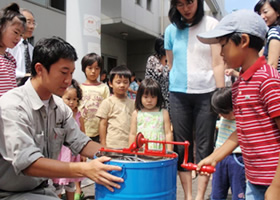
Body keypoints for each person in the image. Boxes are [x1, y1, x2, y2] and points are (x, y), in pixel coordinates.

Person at [0, 36, 123, 200]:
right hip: (11, 194)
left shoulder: (60, 107)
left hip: (45, 189)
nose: (68, 80)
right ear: (40, 69)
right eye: (63, 72)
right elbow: (28, 163)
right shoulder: (12, 106)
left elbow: (81, 142)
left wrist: (121, 156)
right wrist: (84, 169)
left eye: (71, 73)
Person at [196, 10, 280, 200]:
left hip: (274, 181)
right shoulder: (239, 85)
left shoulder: (268, 80)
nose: (220, 53)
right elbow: (241, 131)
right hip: (254, 179)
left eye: (223, 45)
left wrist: (276, 186)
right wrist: (213, 157)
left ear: (243, 41)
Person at [164, 0, 225, 199]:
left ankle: (200, 196)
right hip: (178, 95)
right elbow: (171, 65)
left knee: (204, 146)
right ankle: (188, 196)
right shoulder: (171, 30)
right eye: (180, 4)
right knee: (182, 146)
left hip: (207, 93)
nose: (186, 8)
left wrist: (220, 94)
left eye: (189, 2)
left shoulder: (212, 26)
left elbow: (217, 63)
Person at [210, 87, 246, 200]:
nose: (221, 115)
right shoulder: (223, 118)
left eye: (223, 112)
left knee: (239, 193)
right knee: (217, 192)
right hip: (220, 158)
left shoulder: (243, 119)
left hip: (238, 157)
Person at [52, 79, 85, 200]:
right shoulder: (57, 113)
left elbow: (83, 134)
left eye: (75, 99)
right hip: (60, 154)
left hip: (73, 153)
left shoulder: (78, 115)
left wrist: (82, 153)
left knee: (71, 182)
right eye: (68, 99)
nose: (72, 102)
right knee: (57, 183)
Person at [128, 78, 173, 151]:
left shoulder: (164, 113)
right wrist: (130, 152)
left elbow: (168, 133)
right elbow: (132, 134)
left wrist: (170, 151)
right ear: (140, 97)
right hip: (141, 152)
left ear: (158, 97)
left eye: (153, 97)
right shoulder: (136, 113)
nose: (149, 100)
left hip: (160, 151)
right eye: (145, 97)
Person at [96, 65, 135, 149]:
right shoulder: (107, 102)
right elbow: (103, 124)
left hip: (129, 146)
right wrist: (103, 143)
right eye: (118, 82)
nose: (122, 85)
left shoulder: (133, 103)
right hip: (112, 145)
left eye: (125, 82)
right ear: (110, 83)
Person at [78, 53, 110, 143]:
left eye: (97, 68)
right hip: (82, 130)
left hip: (99, 131)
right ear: (84, 69)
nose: (93, 71)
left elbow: (107, 110)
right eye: (90, 68)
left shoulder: (104, 88)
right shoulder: (79, 88)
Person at [0, 3, 26, 97]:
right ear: (1, 27)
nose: (18, 38)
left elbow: (13, 88)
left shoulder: (10, 59)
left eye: (21, 35)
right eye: (16, 32)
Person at [8, 8, 36, 80]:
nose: (32, 27)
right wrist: (23, 75)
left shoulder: (31, 49)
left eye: (33, 23)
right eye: (28, 22)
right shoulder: (9, 45)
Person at [145, 35, 170, 112]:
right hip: (156, 96)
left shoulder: (173, 59)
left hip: (171, 98)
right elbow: (150, 79)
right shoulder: (152, 60)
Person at [255, 0, 280, 73]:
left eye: (265, 12)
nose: (262, 16)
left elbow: (272, 65)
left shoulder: (274, 32)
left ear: (277, 12)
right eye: (259, 13)